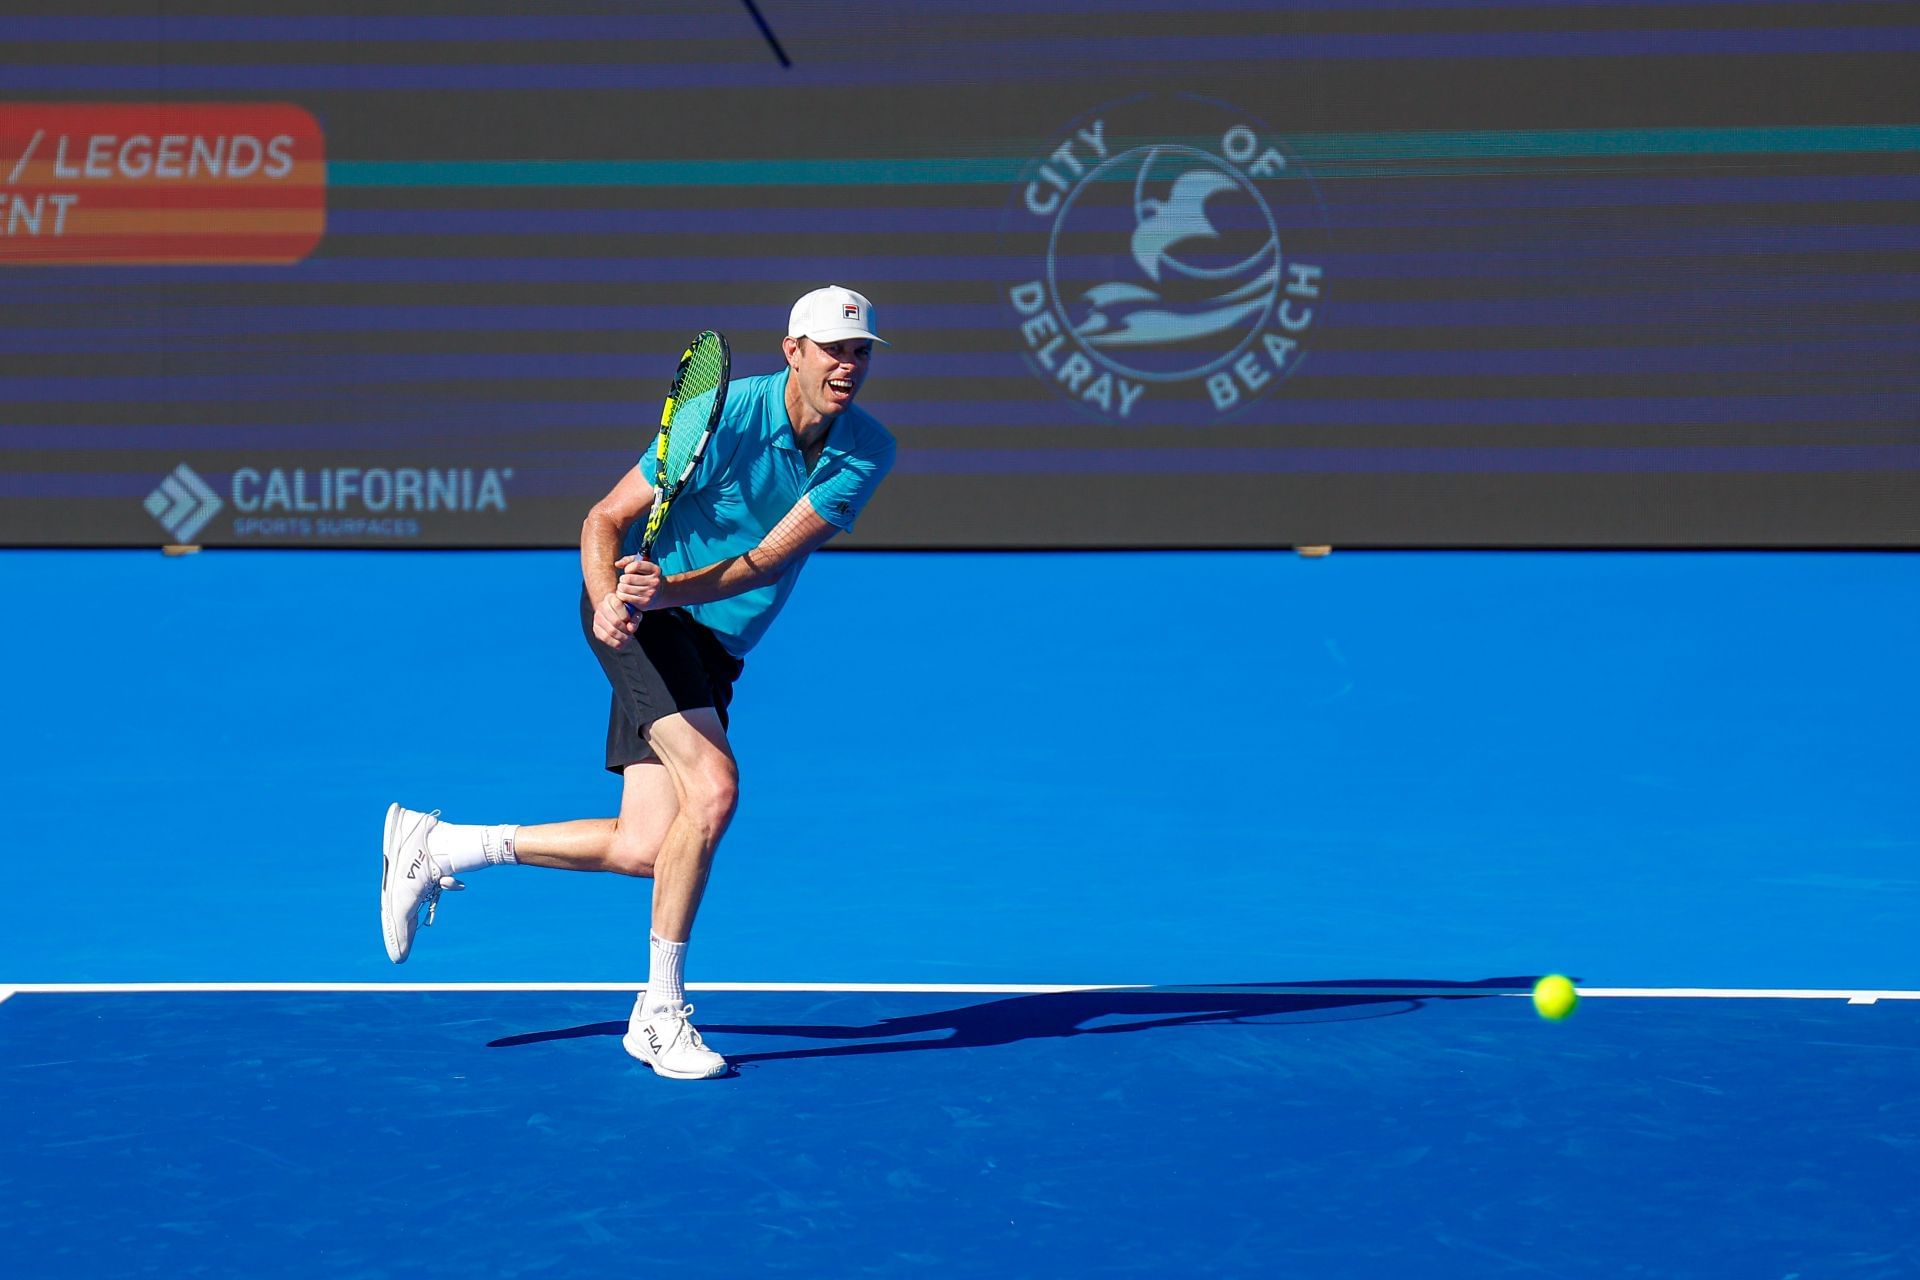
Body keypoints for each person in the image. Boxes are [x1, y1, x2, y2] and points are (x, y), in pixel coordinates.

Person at [378, 285, 896, 1080]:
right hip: (648, 623)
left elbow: (766, 560)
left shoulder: (864, 450)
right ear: (792, 351)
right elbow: (602, 520)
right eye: (832, 349)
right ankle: (658, 1014)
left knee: (647, 845)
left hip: (702, 633)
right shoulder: (720, 416)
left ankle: (442, 844)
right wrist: (605, 600)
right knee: (714, 790)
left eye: (859, 352)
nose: (848, 366)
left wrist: (666, 590)